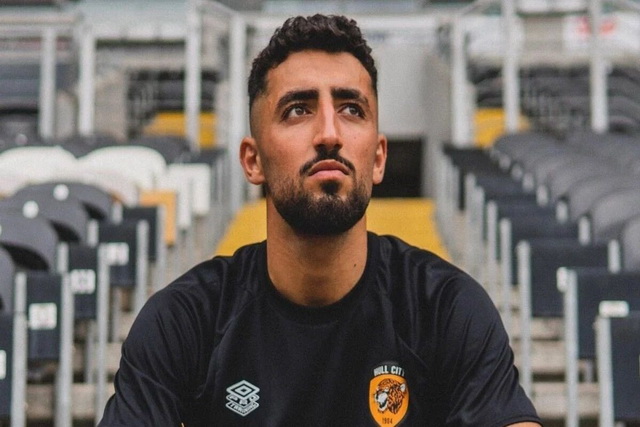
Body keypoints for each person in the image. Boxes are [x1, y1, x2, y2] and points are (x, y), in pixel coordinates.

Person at [99, 14, 541, 426]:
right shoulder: (184, 321)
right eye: (298, 109)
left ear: (379, 158)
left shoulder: (447, 309)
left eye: (351, 109)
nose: (329, 133)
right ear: (253, 160)